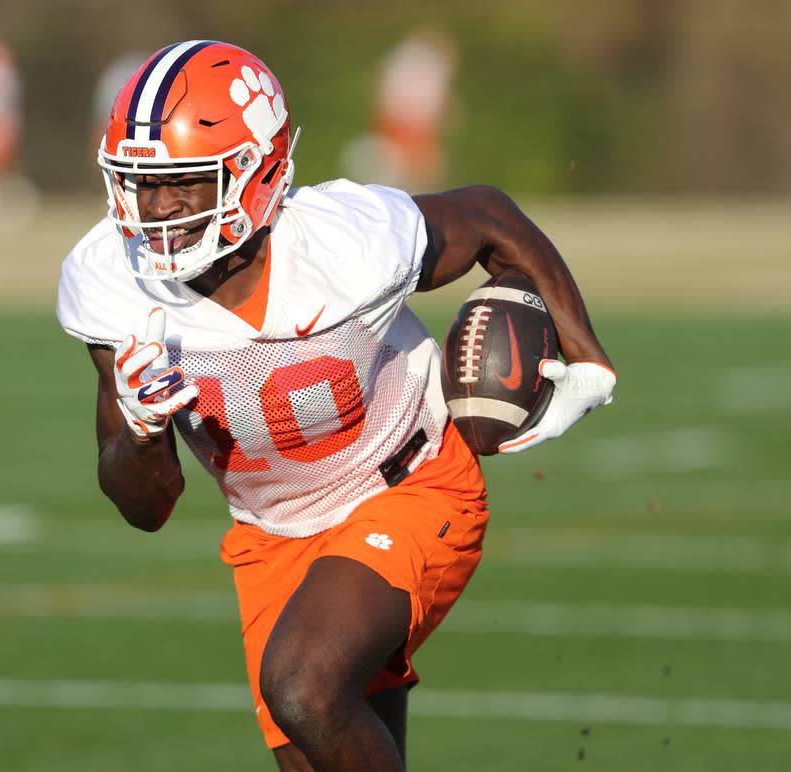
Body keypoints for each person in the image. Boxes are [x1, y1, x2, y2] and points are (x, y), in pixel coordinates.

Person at [56, 40, 615, 772]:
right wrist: (139, 430)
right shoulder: (110, 284)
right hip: (272, 535)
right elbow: (147, 507)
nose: (155, 209)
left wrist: (588, 358)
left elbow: (488, 215)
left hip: (410, 485)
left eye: (182, 182)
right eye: (139, 183)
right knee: (320, 746)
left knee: (302, 685)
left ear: (256, 170)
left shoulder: (346, 242)